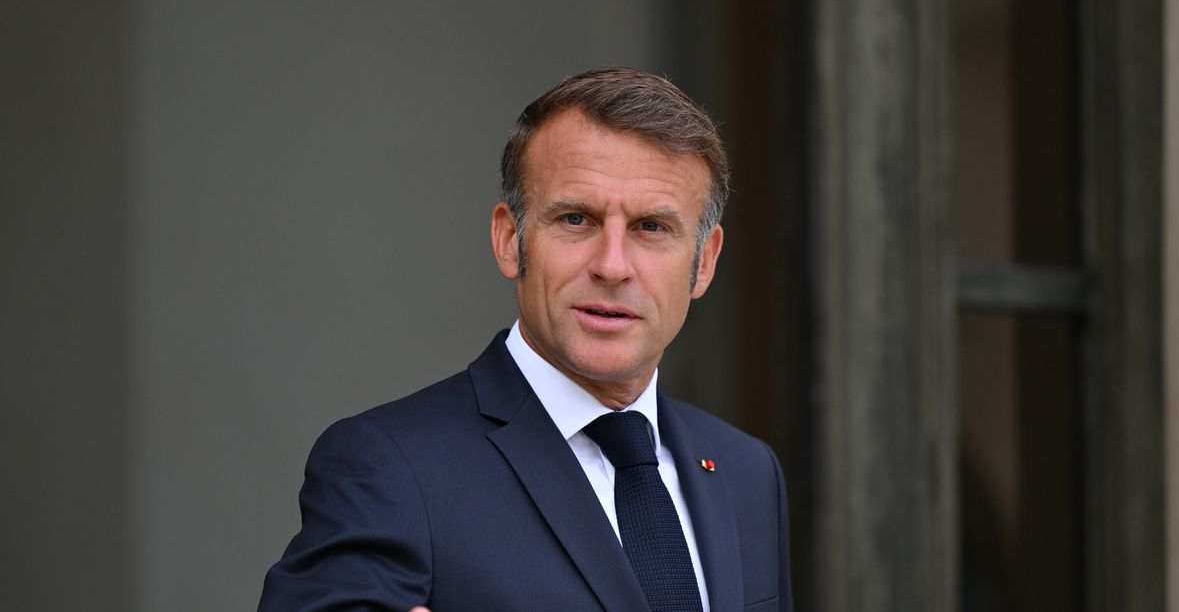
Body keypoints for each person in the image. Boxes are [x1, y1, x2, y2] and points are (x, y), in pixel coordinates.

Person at [257, 67, 792, 612]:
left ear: (704, 262)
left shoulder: (747, 472)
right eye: (577, 219)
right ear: (511, 240)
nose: (612, 266)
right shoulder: (389, 468)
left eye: (651, 227)